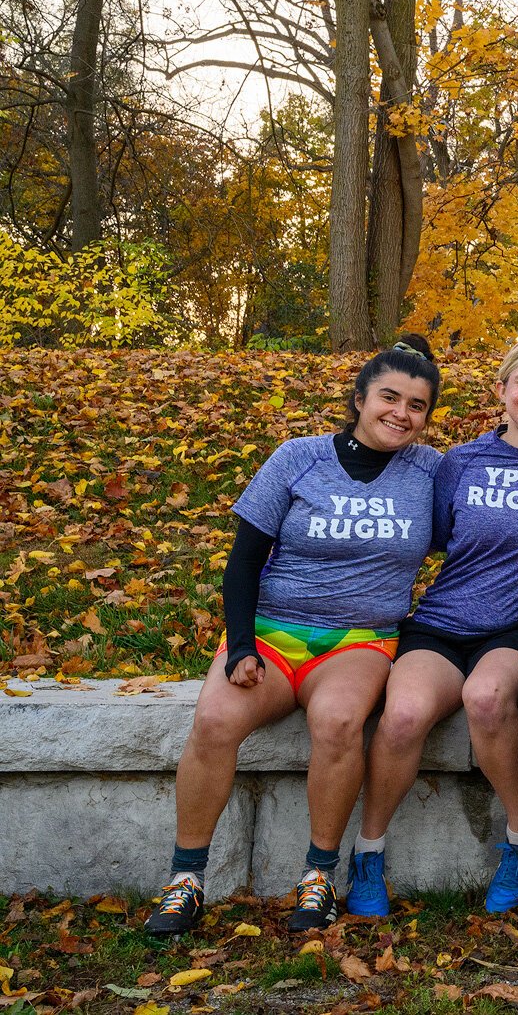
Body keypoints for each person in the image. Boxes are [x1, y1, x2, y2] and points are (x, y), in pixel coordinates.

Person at [145, 336, 443, 937]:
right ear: (359, 398)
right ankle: (185, 880)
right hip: (271, 634)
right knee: (213, 722)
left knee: (336, 723)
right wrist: (243, 646)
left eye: (417, 404)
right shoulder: (298, 457)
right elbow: (244, 560)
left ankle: (317, 875)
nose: (401, 413)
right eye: (389, 396)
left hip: (360, 640)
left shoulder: (432, 471)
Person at [343, 338, 518, 917]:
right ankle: (368, 853)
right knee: (404, 714)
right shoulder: (459, 462)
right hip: (440, 624)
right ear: (502, 390)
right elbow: (429, 536)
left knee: (486, 697)